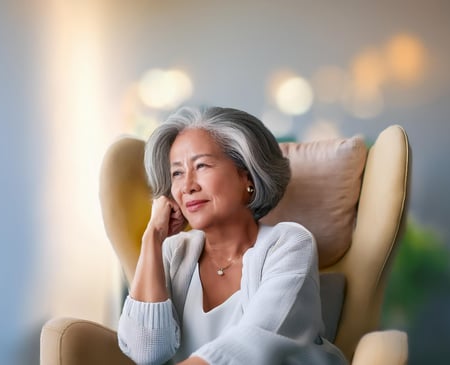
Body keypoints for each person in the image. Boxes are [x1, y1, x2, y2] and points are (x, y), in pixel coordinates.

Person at [117, 106, 347, 365]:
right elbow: (146, 352)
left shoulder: (289, 243)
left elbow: (254, 345)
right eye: (177, 173)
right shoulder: (173, 251)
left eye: (201, 165)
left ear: (246, 176)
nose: (187, 186)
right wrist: (153, 236)